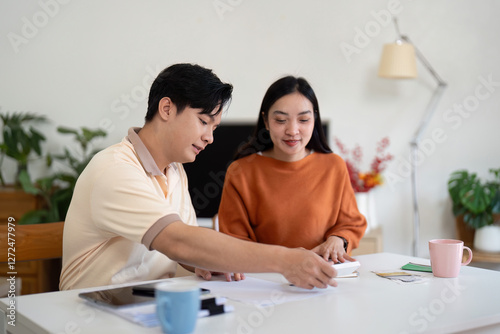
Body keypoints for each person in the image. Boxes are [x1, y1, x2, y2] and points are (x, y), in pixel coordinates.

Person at [60, 64, 337, 291]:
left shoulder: (175, 170)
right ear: (166, 109)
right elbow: (178, 240)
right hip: (93, 315)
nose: (210, 137)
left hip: (151, 308)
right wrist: (286, 260)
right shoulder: (114, 169)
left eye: (214, 127)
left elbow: (187, 247)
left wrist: (205, 261)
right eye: (204, 121)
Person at [218, 76, 367, 275]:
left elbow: (351, 223)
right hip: (266, 279)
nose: (293, 130)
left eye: (304, 120)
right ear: (266, 121)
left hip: (322, 276)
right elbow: (234, 240)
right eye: (281, 120)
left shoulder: (333, 166)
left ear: (315, 119)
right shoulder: (241, 171)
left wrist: (337, 240)